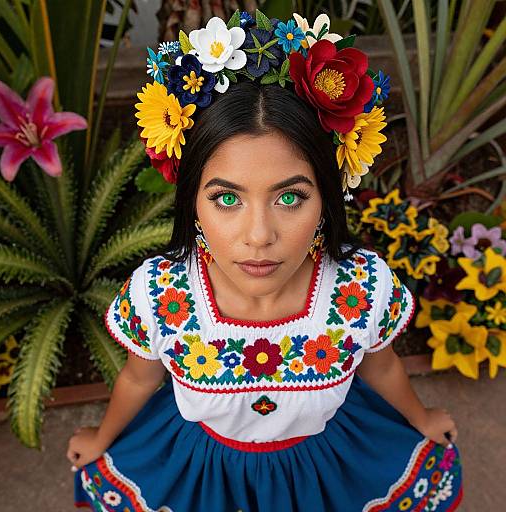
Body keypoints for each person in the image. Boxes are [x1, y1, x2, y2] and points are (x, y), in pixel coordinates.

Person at [69, 11, 463, 512]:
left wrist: (422, 418)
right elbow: (138, 378)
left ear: (327, 199)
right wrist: (102, 438)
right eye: (227, 199)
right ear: (192, 202)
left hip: (324, 467)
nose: (259, 236)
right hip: (201, 470)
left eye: (291, 198)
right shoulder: (162, 295)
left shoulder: (360, 288)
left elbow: (380, 367)